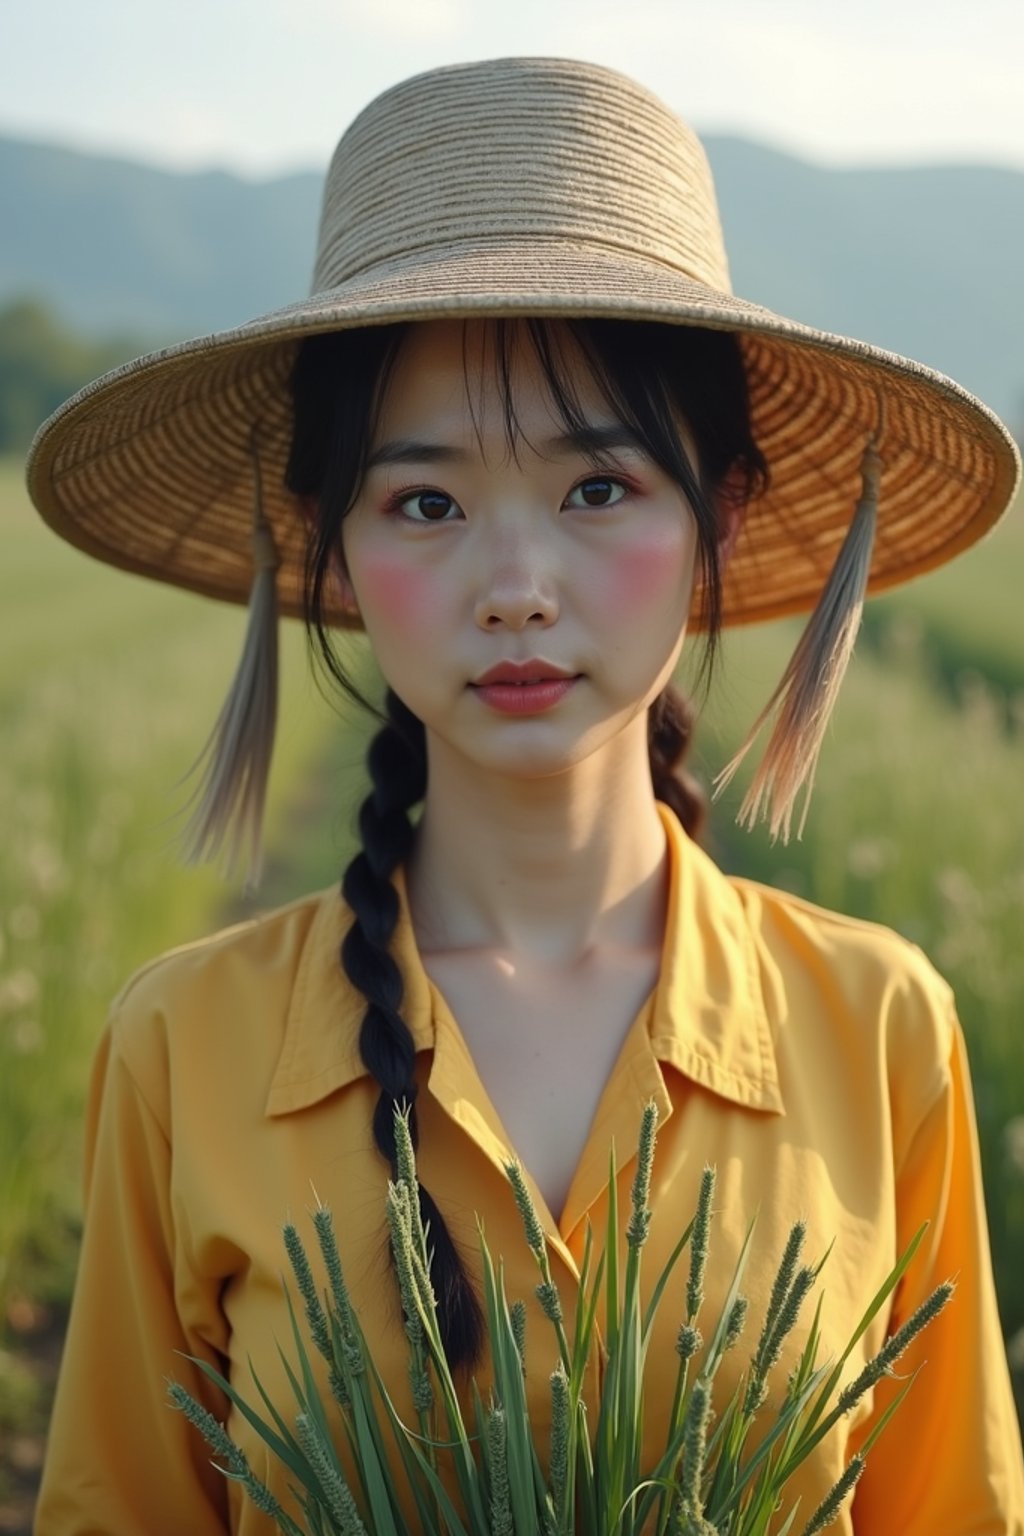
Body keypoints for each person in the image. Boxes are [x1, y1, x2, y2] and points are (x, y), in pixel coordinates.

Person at [27, 56, 1024, 1536]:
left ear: (718, 520)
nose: (512, 590)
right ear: (335, 548)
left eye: (598, 488)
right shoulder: (185, 1045)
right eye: (424, 502)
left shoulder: (880, 1028)